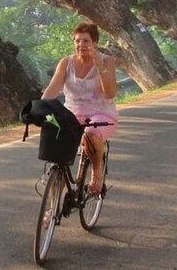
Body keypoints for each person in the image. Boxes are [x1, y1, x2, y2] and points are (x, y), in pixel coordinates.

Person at [40, 22, 118, 194]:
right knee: (56, 156)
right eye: (77, 41)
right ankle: (51, 211)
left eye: (86, 41)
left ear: (95, 42)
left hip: (101, 113)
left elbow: (111, 93)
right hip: (71, 114)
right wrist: (40, 106)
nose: (81, 45)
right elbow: (52, 89)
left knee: (90, 135)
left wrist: (100, 67)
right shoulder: (66, 62)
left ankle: (97, 171)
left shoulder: (107, 61)